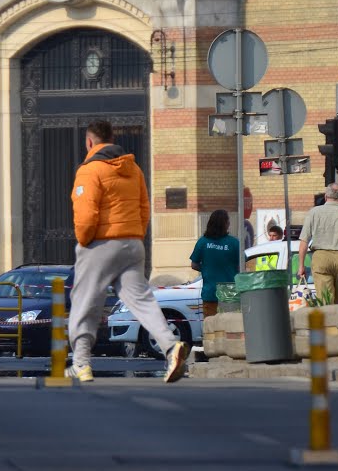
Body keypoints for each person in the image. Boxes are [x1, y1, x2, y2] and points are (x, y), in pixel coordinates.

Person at [66, 119, 188, 385]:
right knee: (142, 301)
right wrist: (136, 235)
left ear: (89, 142)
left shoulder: (90, 170)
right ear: (112, 138)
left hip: (100, 243)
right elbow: (145, 207)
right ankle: (170, 346)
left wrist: (84, 241)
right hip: (132, 244)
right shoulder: (133, 169)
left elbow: (86, 215)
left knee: (85, 302)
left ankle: (81, 363)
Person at [190, 210, 239, 316]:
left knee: (211, 328)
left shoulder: (202, 242)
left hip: (210, 293)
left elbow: (194, 264)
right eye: (228, 221)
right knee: (230, 328)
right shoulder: (234, 243)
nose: (229, 224)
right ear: (225, 224)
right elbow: (243, 266)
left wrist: (206, 268)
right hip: (229, 293)